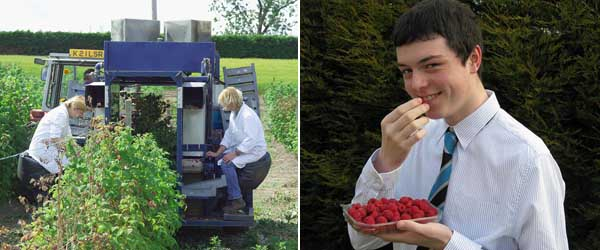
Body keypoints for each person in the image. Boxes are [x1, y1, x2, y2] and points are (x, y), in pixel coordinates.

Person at [348, 0, 567, 249]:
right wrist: (386, 163)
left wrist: (449, 243)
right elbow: (363, 240)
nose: (416, 84)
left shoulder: (528, 159)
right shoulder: (410, 140)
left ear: (473, 59)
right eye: (406, 71)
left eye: (431, 65)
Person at [207, 87, 269, 213]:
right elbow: (229, 134)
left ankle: (236, 199)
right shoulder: (234, 113)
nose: (223, 106)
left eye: (224, 103)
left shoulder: (247, 116)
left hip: (254, 152)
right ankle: (225, 192)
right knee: (221, 158)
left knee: (226, 163)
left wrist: (233, 154)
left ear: (231, 102)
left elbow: (250, 141)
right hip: (243, 149)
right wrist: (218, 153)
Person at [18, 96, 87, 201]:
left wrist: (80, 152)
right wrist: (69, 153)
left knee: (71, 166)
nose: (80, 116)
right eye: (81, 113)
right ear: (75, 109)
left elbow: (69, 139)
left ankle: (65, 198)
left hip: (47, 148)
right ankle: (66, 199)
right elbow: (55, 138)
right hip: (43, 151)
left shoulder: (63, 113)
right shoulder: (60, 114)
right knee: (69, 169)